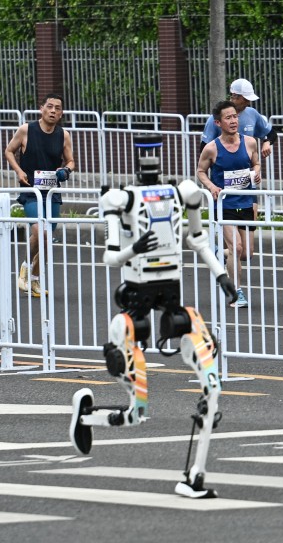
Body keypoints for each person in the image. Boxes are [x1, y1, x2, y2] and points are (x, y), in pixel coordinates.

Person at [69, 134, 237, 499]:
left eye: (154, 154)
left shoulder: (184, 192)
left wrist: (223, 278)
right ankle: (86, 417)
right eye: (145, 155)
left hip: (172, 296)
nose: (150, 162)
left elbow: (198, 239)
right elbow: (110, 257)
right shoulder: (121, 198)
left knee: (214, 388)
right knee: (138, 410)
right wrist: (134, 248)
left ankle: (194, 477)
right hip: (136, 302)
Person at [4, 92, 76, 299]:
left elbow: (71, 161)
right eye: (50, 106)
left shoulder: (64, 135)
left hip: (51, 192)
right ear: (41, 109)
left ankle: (34, 279)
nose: (53, 111)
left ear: (61, 113)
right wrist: (18, 171)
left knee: (44, 238)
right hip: (31, 191)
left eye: (58, 108)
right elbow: (9, 151)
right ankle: (26, 267)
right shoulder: (26, 130)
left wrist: (67, 170)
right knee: (41, 232)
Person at [195, 100, 261, 309]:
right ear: (218, 122)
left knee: (247, 253)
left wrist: (257, 172)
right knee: (236, 247)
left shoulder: (250, 142)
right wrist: (211, 187)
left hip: (246, 202)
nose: (233, 121)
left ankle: (217, 254)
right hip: (224, 205)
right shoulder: (211, 148)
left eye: (235, 116)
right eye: (228, 118)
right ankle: (237, 292)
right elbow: (200, 172)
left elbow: (256, 163)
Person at [201, 78, 276, 160]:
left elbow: (272, 134)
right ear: (234, 96)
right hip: (223, 169)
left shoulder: (252, 113)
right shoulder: (216, 117)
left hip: (246, 169)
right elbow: (204, 147)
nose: (248, 103)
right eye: (246, 99)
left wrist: (267, 142)